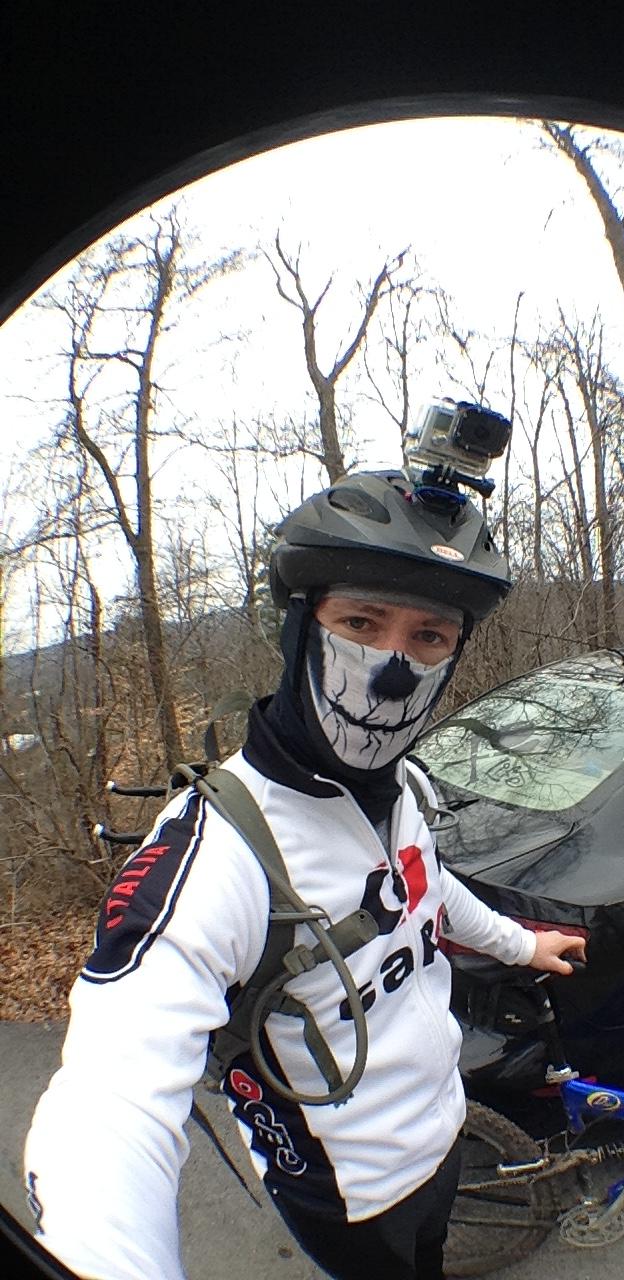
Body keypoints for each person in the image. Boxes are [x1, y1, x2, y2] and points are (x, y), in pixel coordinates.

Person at [23, 460, 585, 1280]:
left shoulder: (401, 791)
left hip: (447, 1136)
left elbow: (425, 885)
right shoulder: (216, 854)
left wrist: (518, 945)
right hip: (349, 1197)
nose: (395, 666)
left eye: (429, 637)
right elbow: (109, 1102)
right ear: (295, 627)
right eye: (361, 622)